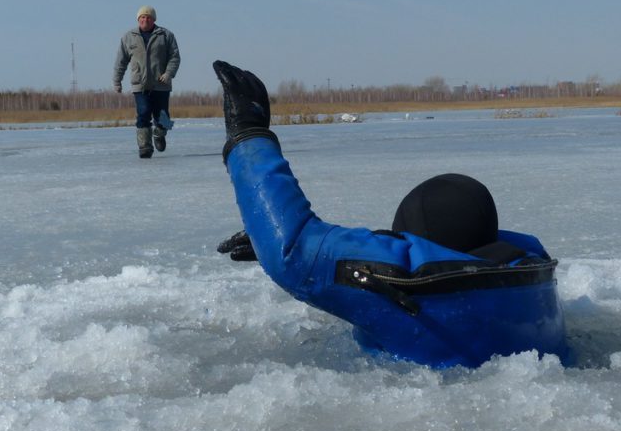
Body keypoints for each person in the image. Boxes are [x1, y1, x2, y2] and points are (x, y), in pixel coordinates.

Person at [213, 60, 570, 369]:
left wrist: (249, 134)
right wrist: (264, 234)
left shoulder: (425, 293)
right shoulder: (524, 276)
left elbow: (293, 254)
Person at [113, 6, 180, 158]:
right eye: (142, 17)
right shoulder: (128, 37)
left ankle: (159, 134)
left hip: (161, 84)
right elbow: (120, 61)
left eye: (148, 17)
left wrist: (169, 73)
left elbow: (175, 57)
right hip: (140, 85)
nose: (145, 20)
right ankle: (145, 146)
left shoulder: (165, 35)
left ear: (154, 19)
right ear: (138, 19)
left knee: (163, 118)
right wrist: (117, 81)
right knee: (143, 114)